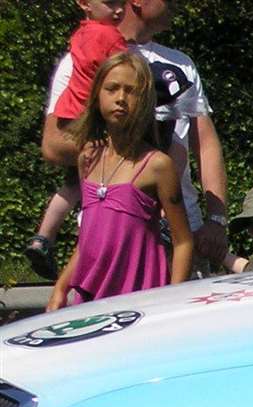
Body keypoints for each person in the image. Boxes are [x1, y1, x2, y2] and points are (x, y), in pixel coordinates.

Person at [41, 0, 228, 270]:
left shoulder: (181, 65)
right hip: (109, 233)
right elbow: (53, 145)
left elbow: (206, 145)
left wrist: (217, 219)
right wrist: (134, 155)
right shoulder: (83, 57)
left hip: (183, 231)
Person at [46, 51, 193, 310]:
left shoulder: (157, 165)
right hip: (92, 298)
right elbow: (89, 239)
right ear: (97, 96)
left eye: (131, 91)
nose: (121, 99)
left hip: (143, 298)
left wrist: (174, 300)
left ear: (145, 100)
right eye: (112, 89)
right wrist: (61, 286)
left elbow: (183, 241)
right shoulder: (88, 157)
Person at [24, 0, 129, 280]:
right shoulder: (111, 36)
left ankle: (43, 235)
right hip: (90, 115)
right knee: (94, 181)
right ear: (84, 4)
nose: (118, 10)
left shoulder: (81, 33)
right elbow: (125, 72)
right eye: (109, 3)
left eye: (121, 2)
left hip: (68, 112)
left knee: (73, 183)